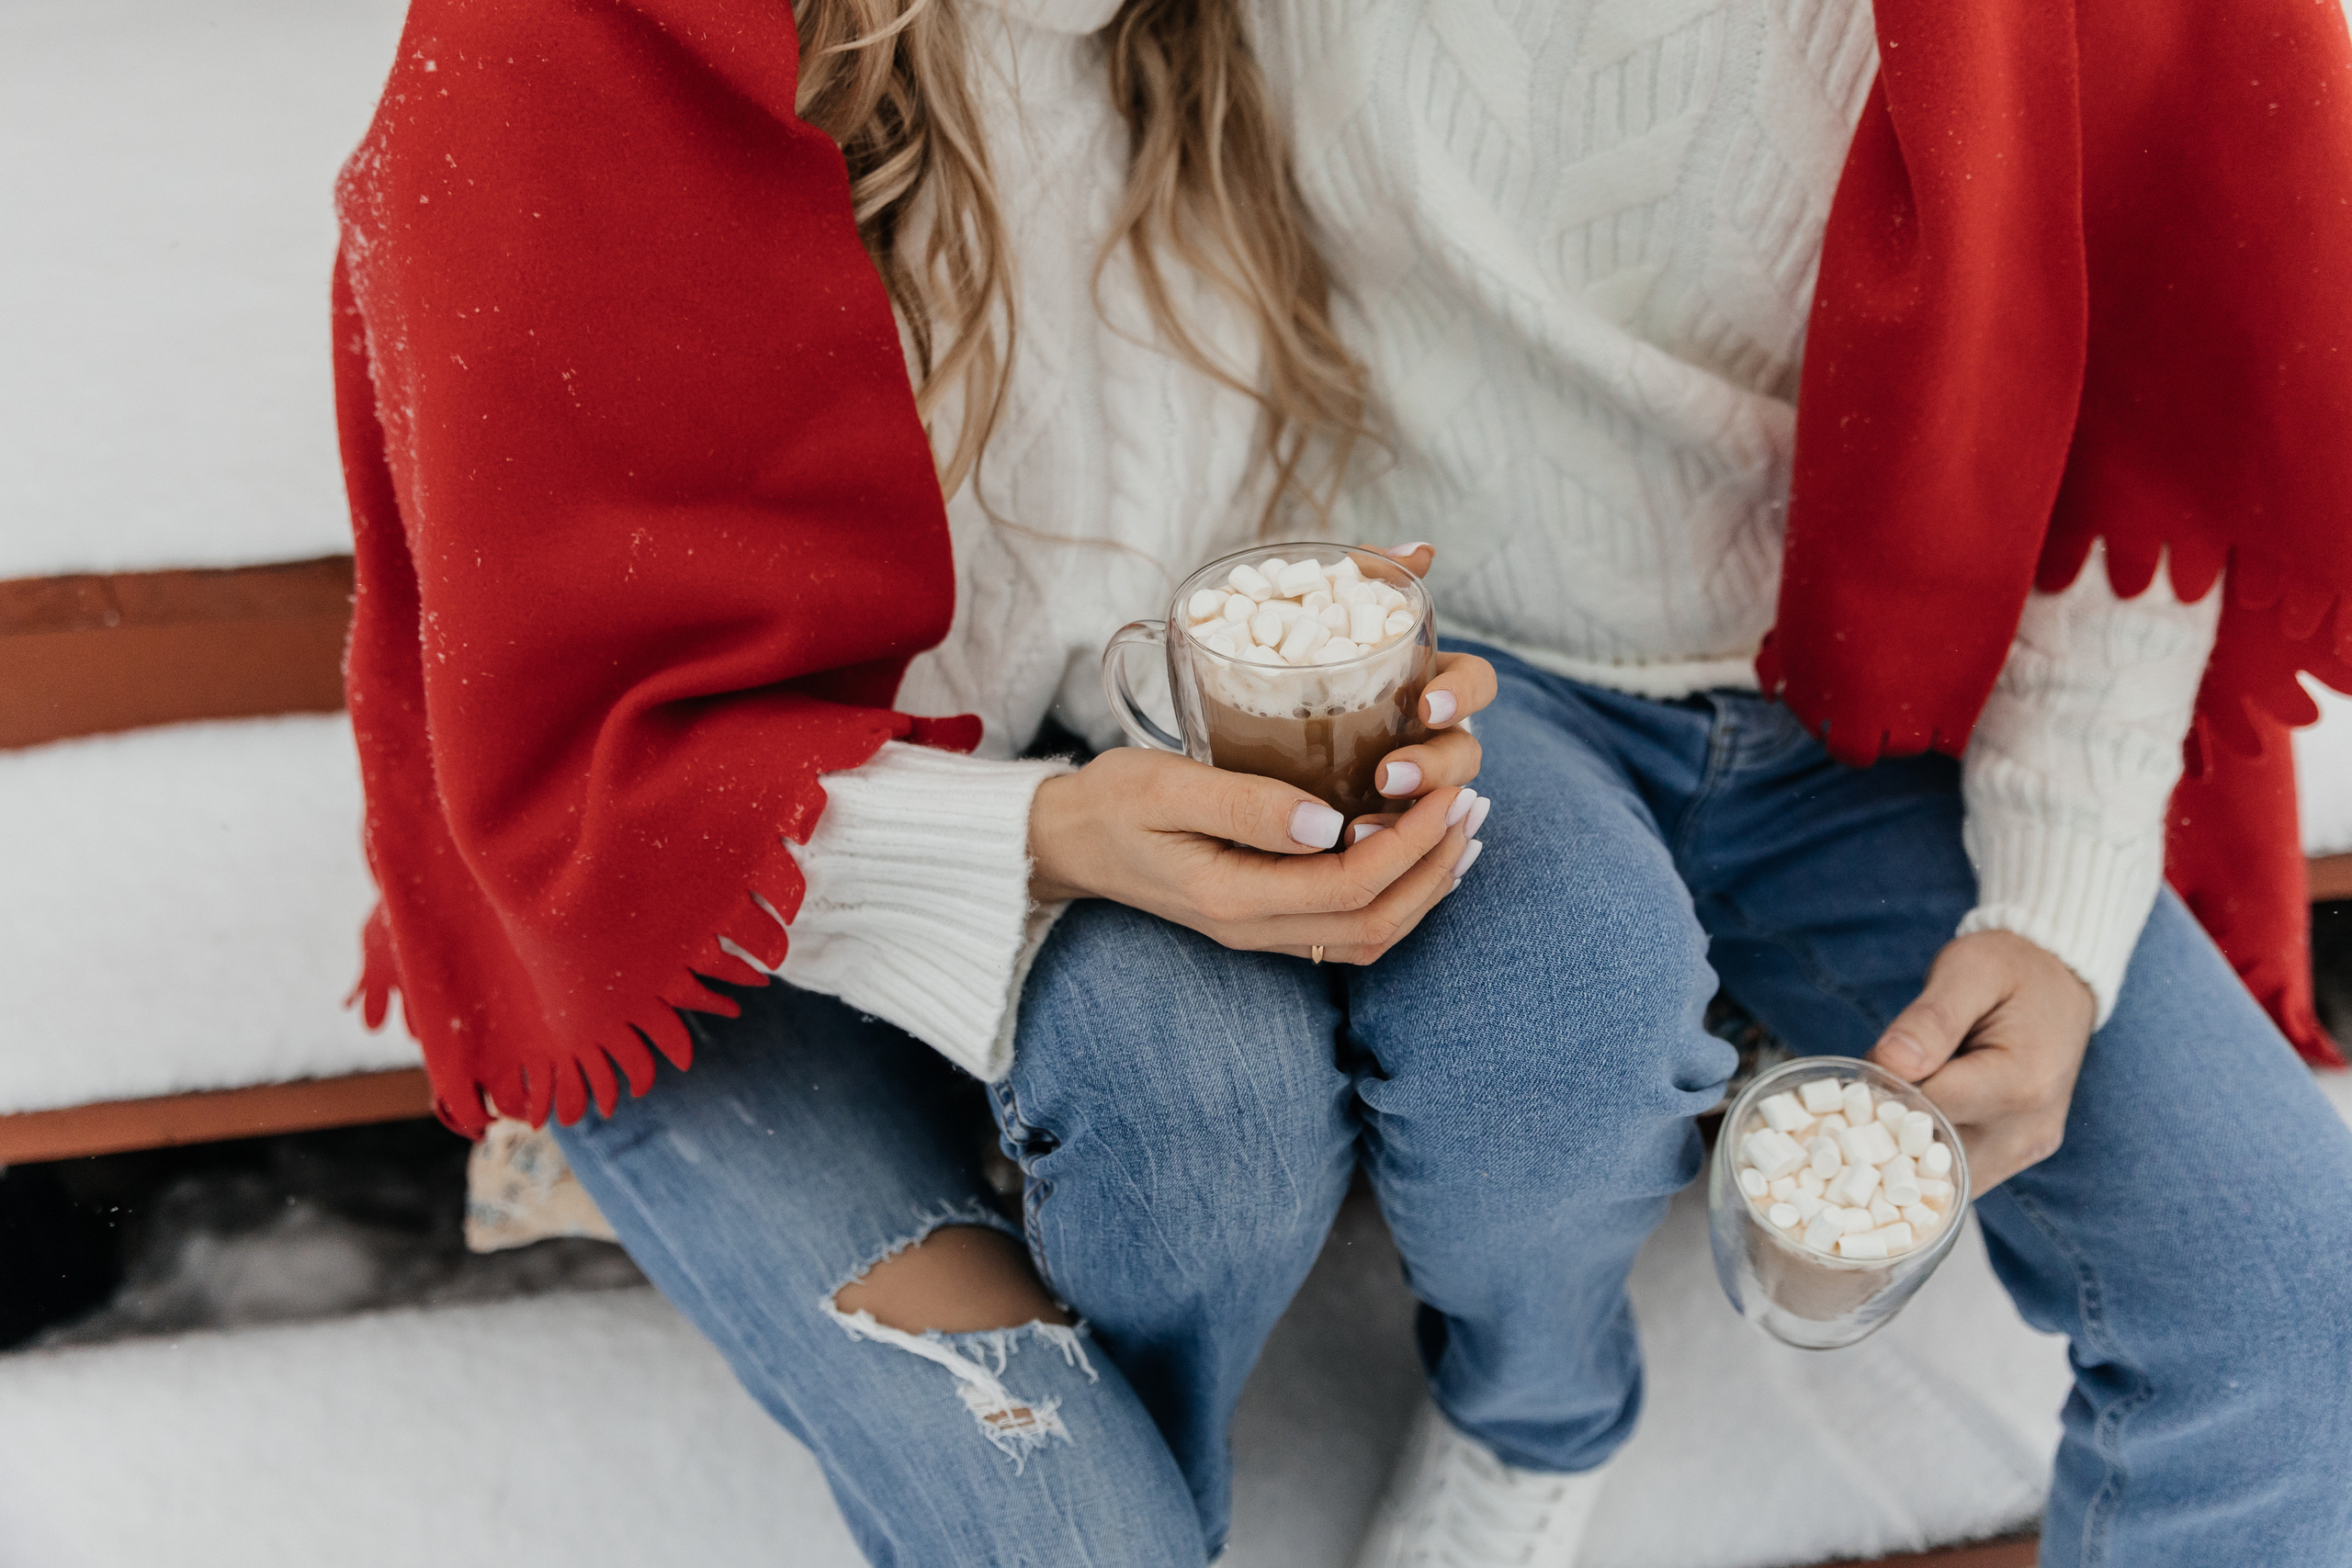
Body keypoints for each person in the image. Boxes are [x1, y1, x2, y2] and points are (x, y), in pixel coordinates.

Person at [990, 1, 2352, 1564]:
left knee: (2294, 1306)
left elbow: (2149, 402)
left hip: (1887, 698)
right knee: (1551, 1015)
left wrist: (2057, 901)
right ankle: (1534, 1417)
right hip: (1468, 649)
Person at [333, 0, 1491, 1561]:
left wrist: (1309, 682)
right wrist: (1040, 832)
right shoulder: (557, 54)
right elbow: (560, 757)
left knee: (1222, 1100)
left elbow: (1129, 568)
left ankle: (1131, 1452)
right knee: (1084, 1541)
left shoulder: (1181, 47)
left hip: (1057, 825)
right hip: (687, 939)